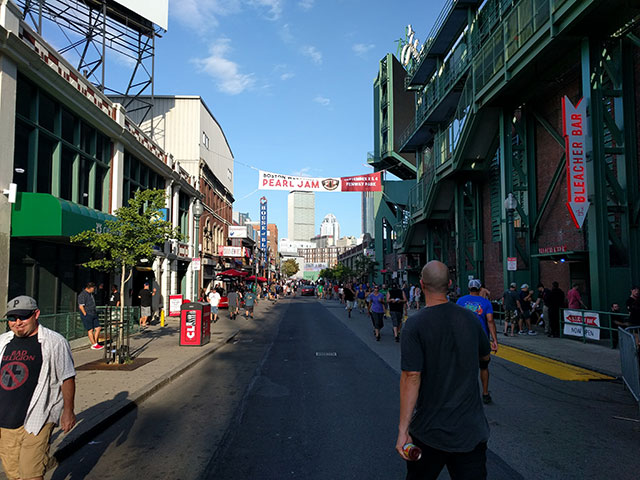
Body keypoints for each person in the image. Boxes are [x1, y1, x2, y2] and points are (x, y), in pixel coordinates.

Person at [396, 261, 491, 479]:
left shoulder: (415, 324)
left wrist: (403, 430)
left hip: (429, 432)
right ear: (449, 284)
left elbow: (411, 377)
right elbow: (485, 356)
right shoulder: (470, 319)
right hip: (471, 431)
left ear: (421, 284)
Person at [0, 296, 76, 480]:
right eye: (12, 318)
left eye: (23, 317)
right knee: (13, 474)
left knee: (30, 474)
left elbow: (67, 377)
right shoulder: (3, 341)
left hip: (38, 416)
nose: (17, 323)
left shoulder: (54, 342)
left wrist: (68, 411)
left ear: (36, 314)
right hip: (6, 418)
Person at [457, 279, 499, 404]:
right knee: (484, 367)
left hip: (465, 339)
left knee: (466, 368)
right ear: (480, 289)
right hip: (482, 339)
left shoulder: (460, 301)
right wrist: (494, 340)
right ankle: (485, 394)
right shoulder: (486, 303)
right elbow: (490, 321)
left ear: (469, 289)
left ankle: (466, 395)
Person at [78, 282, 103, 350]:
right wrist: (85, 313)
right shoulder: (82, 295)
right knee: (90, 329)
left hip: (93, 313)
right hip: (88, 313)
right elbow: (81, 306)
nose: (94, 290)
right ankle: (94, 344)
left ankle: (95, 342)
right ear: (90, 288)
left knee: (98, 328)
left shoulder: (91, 294)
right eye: (93, 288)